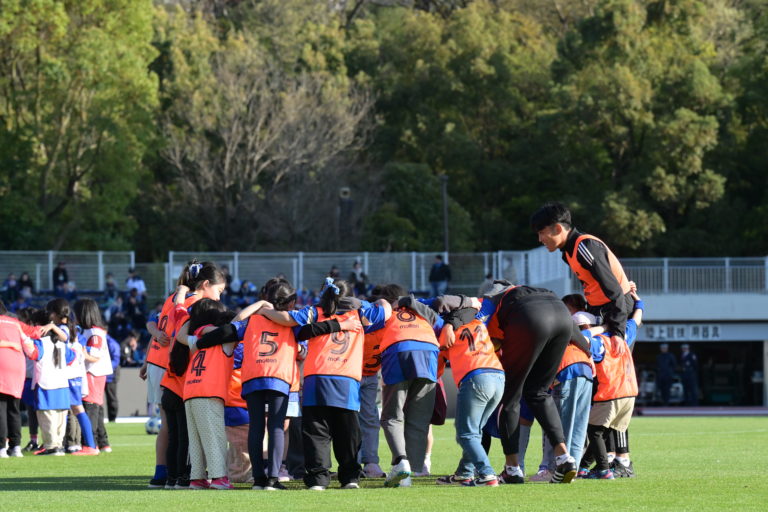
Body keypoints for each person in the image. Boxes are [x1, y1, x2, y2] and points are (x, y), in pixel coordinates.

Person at [435, 282, 588, 484]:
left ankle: (513, 469)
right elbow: (574, 333)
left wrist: (449, 324)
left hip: (530, 317)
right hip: (562, 315)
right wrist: (586, 347)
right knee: (539, 393)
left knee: (510, 398)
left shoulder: (487, 302)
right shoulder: (527, 290)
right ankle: (564, 458)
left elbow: (472, 318)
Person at [258, 278, 389, 491]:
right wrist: (366, 302)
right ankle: (350, 478)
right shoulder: (360, 313)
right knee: (347, 432)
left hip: (316, 378)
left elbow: (287, 319)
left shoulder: (315, 311)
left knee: (316, 432)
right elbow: (386, 309)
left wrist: (264, 310)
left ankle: (318, 479)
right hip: (346, 379)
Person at [160, 262, 227, 489]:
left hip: (173, 378)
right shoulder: (199, 308)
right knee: (192, 437)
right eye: (219, 291)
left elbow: (175, 320)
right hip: (189, 384)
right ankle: (189, 477)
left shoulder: (183, 306)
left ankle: (173, 478)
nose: (218, 298)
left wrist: (180, 294)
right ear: (206, 284)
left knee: (176, 435)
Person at [531, 202, 633, 339]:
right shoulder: (567, 253)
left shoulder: (584, 246)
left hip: (616, 311)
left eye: (541, 233)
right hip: (600, 309)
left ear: (558, 228)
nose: (540, 239)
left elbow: (614, 289)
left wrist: (618, 334)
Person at [435, 317, 505, 487]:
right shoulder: (478, 323)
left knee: (466, 433)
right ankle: (464, 473)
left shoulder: (447, 329)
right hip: (498, 377)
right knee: (475, 431)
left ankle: (487, 474)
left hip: (475, 377)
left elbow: (439, 361)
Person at [582, 292, 644, 479]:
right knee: (608, 429)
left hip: (610, 393)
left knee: (594, 431)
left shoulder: (600, 341)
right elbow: (636, 319)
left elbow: (582, 336)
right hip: (630, 392)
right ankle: (588, 466)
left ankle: (603, 470)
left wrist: (601, 328)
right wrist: (639, 302)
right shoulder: (625, 335)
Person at [45, 298, 98, 456]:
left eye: (50, 313)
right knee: (71, 409)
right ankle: (58, 444)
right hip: (72, 374)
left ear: (56, 313)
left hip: (70, 375)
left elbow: (64, 337)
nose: (49, 316)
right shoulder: (71, 327)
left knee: (75, 408)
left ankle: (90, 445)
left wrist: (52, 327)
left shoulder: (63, 328)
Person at [0, 302, 50, 458]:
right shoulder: (15, 323)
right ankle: (15, 447)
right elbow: (34, 335)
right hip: (17, 367)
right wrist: (52, 326)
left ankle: (1, 448)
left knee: (1, 408)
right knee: (13, 408)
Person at [28, 309, 75, 456]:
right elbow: (71, 358)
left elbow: (33, 354)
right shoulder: (61, 342)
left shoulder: (39, 342)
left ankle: (51, 446)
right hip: (62, 383)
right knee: (60, 416)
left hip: (45, 384)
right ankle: (59, 445)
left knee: (46, 416)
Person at [75, 298, 114, 454]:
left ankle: (90, 444)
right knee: (96, 408)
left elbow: (94, 355)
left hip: (93, 373)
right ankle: (102, 443)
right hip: (95, 373)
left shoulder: (94, 332)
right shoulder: (92, 331)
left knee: (90, 407)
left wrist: (80, 352)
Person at [105, 334, 121, 422]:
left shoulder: (112, 343)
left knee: (111, 398)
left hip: (110, 376)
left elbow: (116, 360)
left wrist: (104, 366)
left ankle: (112, 419)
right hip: (100, 375)